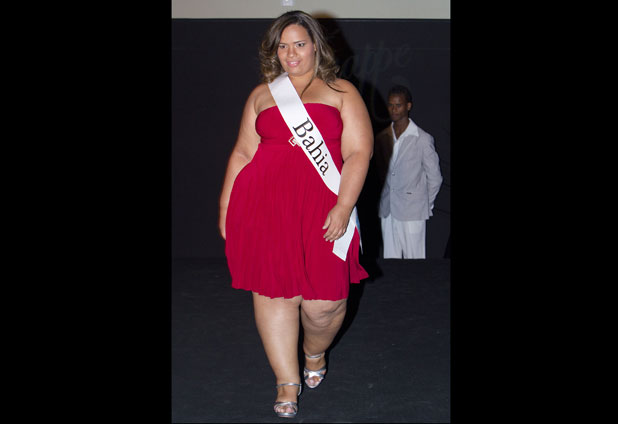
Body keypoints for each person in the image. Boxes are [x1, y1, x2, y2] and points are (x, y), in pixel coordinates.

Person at [218, 10, 373, 418]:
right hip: (265, 208)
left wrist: (344, 206)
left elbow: (359, 152)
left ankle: (313, 352)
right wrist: (226, 207)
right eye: (282, 46)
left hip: (324, 208)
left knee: (325, 304)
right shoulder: (262, 95)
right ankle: (286, 380)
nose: (290, 53)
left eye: (299, 44)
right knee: (274, 293)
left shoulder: (341, 91)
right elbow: (243, 153)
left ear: (316, 46)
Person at [374, 85, 443, 259]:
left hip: (413, 212)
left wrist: (423, 203)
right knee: (390, 263)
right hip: (387, 210)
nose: (394, 109)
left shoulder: (422, 138)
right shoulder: (382, 137)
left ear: (408, 106)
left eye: (398, 105)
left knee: (415, 263)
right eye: (390, 105)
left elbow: (435, 178)